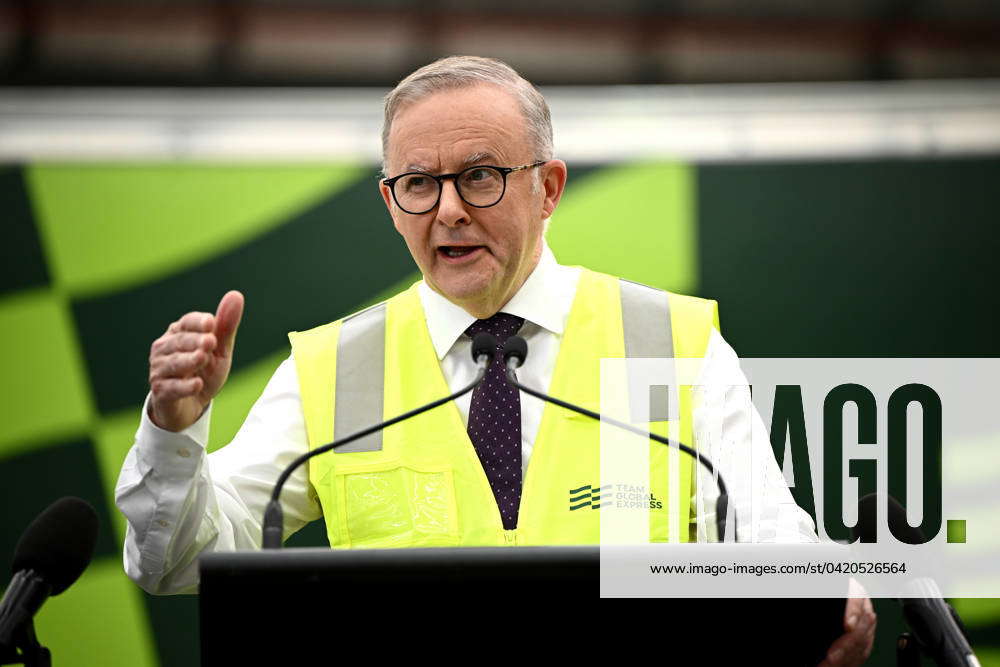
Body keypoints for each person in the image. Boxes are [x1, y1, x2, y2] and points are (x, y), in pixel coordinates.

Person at [115, 56, 874, 664]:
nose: (447, 209)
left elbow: (768, 534)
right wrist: (176, 431)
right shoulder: (338, 369)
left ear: (547, 188)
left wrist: (819, 586)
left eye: (479, 175)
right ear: (390, 203)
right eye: (418, 183)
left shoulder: (666, 342)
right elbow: (176, 562)